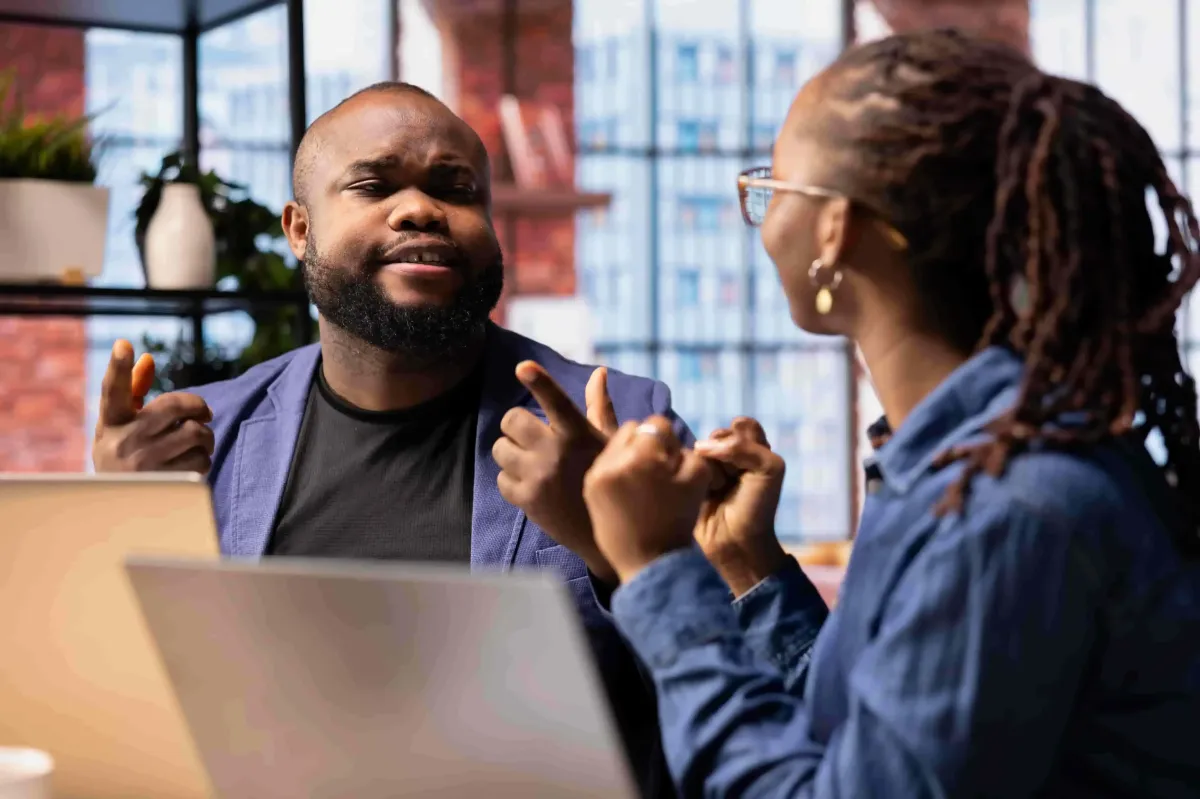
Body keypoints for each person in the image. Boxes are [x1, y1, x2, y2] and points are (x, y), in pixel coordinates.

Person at [579, 30, 1200, 797]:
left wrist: (659, 571)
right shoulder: (955, 465)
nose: (761, 218)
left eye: (772, 187)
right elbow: (866, 745)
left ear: (834, 229)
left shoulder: (1006, 508)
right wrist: (748, 566)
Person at [91, 81, 689, 797]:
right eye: (373, 186)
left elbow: (733, 693)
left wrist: (616, 551)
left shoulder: (618, 423)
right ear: (300, 230)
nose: (421, 210)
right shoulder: (204, 441)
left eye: (457, 189)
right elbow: (120, 702)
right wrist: (112, 517)